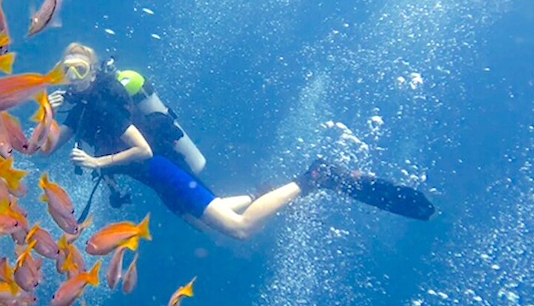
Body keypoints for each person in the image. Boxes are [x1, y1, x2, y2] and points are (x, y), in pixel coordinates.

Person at [43, 43, 435, 241]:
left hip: (160, 170)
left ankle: (317, 177)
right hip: (161, 182)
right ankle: (267, 193)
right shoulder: (79, 112)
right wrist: (47, 111)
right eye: (67, 70)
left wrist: (98, 165)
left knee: (239, 229)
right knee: (203, 224)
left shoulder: (104, 107)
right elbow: (40, 148)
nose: (73, 76)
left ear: (94, 71)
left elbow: (142, 151)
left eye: (80, 69)